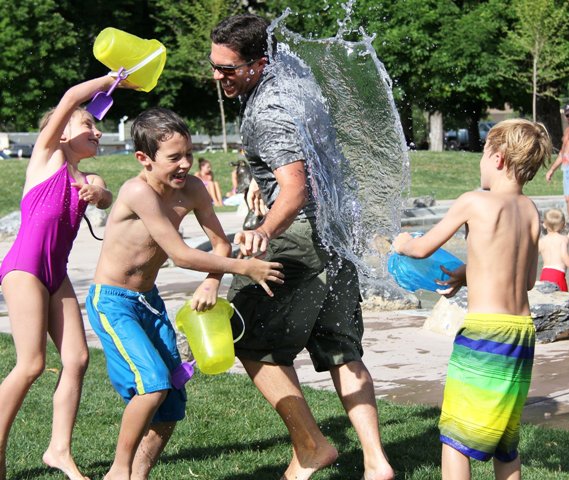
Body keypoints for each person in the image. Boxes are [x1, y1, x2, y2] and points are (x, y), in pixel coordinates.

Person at [210, 14, 394, 480]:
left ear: (258, 62)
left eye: (228, 69)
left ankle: (312, 446)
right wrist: (260, 181)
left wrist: (265, 230)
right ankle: (377, 463)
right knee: (342, 351)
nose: (218, 76)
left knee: (245, 335)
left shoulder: (268, 110)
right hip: (338, 234)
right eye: (214, 65)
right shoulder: (294, 79)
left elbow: (294, 188)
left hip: (300, 237)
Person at [85, 106, 283, 479]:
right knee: (153, 383)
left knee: (172, 399)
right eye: (174, 157)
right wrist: (246, 267)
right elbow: (179, 254)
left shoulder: (192, 189)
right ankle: (117, 471)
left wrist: (212, 281)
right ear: (144, 159)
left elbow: (218, 244)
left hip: (149, 301)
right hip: (113, 302)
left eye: (189, 154)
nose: (185, 164)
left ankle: (137, 475)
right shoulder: (137, 192)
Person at [393, 118, 552, 480]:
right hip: (521, 333)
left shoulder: (474, 202)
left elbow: (421, 248)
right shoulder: (531, 211)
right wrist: (468, 273)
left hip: (485, 335)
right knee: (505, 441)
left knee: (455, 437)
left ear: (497, 158)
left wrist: (402, 243)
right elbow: (526, 279)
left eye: (482, 155)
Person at [0, 75, 127, 480]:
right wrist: (116, 78)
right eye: (88, 125)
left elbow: (105, 193)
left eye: (96, 125)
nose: (98, 131)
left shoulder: (87, 179)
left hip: (57, 275)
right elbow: (71, 96)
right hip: (25, 269)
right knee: (32, 364)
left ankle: (58, 450)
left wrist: (101, 194)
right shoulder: (46, 158)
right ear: (62, 131)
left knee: (76, 358)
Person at [545, 105, 569, 213]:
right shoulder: (567, 131)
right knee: (568, 199)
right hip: (566, 168)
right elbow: (562, 153)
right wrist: (552, 170)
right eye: (568, 115)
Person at [538, 208, 569, 291]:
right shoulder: (563, 239)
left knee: (546, 301)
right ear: (563, 225)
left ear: (544, 224)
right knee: (562, 301)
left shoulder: (541, 241)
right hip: (557, 275)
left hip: (544, 274)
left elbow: (532, 256)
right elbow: (564, 256)